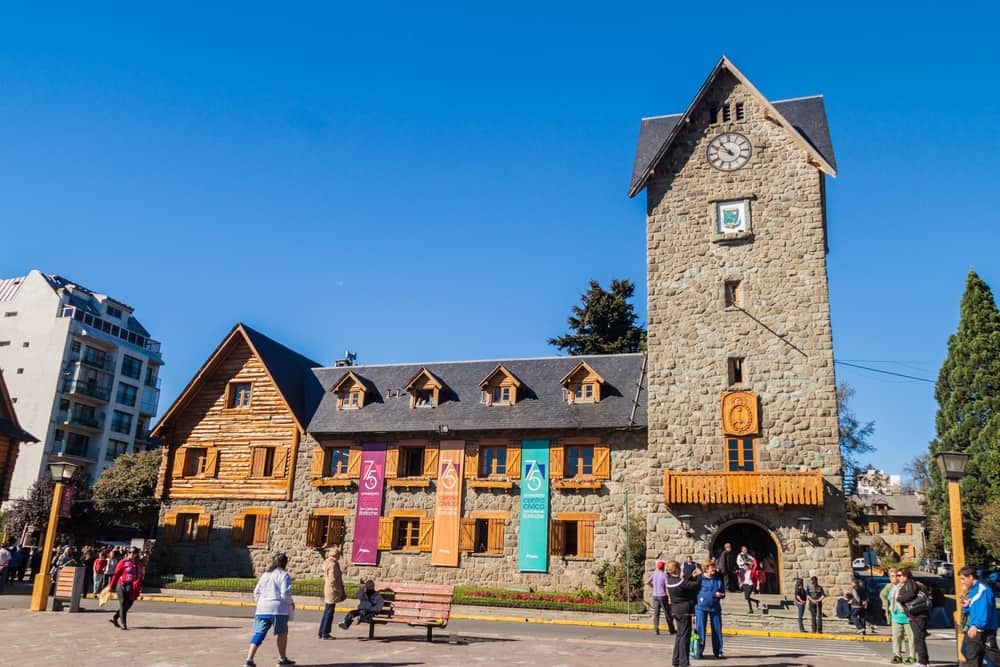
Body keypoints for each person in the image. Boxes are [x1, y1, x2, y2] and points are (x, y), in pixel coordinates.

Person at [246, 553, 295, 667]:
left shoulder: (265, 575)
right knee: (282, 633)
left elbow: (256, 592)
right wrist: (290, 603)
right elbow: (285, 594)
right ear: (285, 563)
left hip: (262, 608)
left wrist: (260, 602)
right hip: (279, 609)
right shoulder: (284, 575)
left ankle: (249, 659)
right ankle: (282, 659)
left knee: (259, 633)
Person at [960, 565, 1000, 667]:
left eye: (963, 579)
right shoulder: (973, 590)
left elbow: (984, 610)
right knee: (968, 651)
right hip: (975, 626)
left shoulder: (983, 590)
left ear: (971, 577)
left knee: (976, 656)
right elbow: (974, 608)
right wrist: (966, 606)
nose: (962, 582)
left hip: (982, 628)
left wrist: (976, 626)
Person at [666, 559, 701, 667]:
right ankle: (684, 662)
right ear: (676, 569)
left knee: (679, 635)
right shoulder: (680, 582)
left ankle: (676, 660)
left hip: (675, 610)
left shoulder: (670, 581)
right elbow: (695, 585)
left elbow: (685, 583)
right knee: (685, 637)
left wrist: (691, 576)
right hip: (684, 610)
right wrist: (699, 575)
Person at [895, 567, 929, 667]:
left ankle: (922, 662)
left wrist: (899, 599)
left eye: (900, 575)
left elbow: (911, 594)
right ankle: (923, 661)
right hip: (914, 616)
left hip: (918, 616)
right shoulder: (906, 584)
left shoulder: (910, 583)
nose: (898, 578)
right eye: (897, 576)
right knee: (918, 638)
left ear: (906, 575)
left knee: (919, 639)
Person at [693, 559, 725, 660]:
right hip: (701, 608)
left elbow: (723, 592)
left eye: (714, 567)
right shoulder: (699, 579)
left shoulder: (718, 579)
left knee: (717, 629)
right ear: (706, 569)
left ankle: (718, 651)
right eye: (712, 567)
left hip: (715, 608)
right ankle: (698, 651)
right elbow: (691, 589)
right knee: (700, 629)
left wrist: (721, 595)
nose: (714, 569)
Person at [883, 569, 915, 665]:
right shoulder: (893, 588)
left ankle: (912, 656)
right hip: (896, 616)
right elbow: (887, 597)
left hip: (907, 616)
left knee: (911, 637)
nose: (895, 577)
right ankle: (897, 655)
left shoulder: (909, 586)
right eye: (892, 576)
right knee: (896, 637)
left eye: (897, 575)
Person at [108, 548, 143, 630]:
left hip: (132, 586)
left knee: (128, 605)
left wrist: (140, 586)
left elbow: (140, 576)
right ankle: (124, 624)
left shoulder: (138, 564)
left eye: (133, 552)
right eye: (129, 552)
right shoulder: (123, 562)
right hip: (122, 585)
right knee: (123, 603)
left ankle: (115, 617)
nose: (131, 554)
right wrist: (111, 586)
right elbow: (116, 575)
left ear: (136, 554)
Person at [318, 547, 345, 640]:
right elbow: (332, 579)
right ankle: (325, 633)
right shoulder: (333, 564)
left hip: (328, 589)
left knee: (327, 611)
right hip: (332, 590)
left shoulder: (327, 562)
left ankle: (321, 631)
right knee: (329, 612)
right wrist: (338, 590)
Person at [647, 560, 675, 635]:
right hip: (663, 596)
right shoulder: (664, 575)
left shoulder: (654, 574)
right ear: (663, 567)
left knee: (656, 614)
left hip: (655, 595)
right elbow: (667, 587)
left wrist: (653, 586)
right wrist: (669, 597)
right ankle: (671, 629)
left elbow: (647, 582)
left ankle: (656, 629)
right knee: (667, 613)